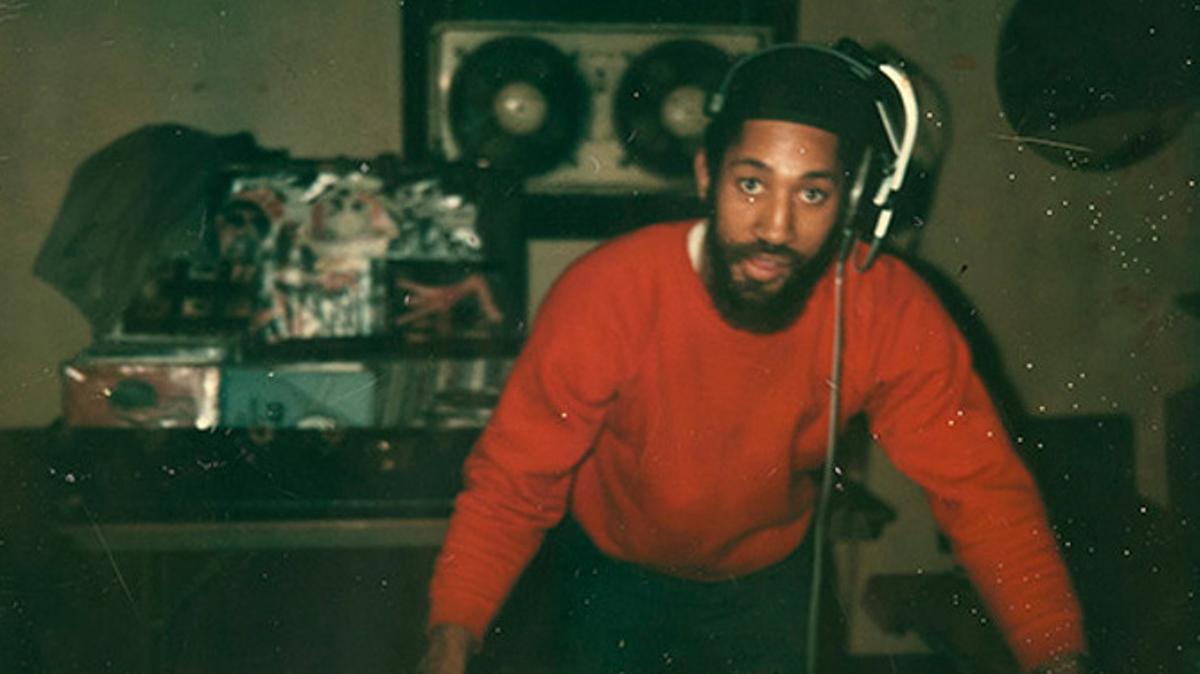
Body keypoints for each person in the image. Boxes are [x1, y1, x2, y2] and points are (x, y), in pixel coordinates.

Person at [418, 42, 1089, 674]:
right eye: (750, 185)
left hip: (769, 588)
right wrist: (452, 635)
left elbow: (982, 493)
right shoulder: (606, 294)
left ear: (851, 202)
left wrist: (1056, 654)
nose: (775, 227)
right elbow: (513, 484)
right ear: (706, 175)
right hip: (612, 580)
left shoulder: (888, 309)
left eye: (813, 193)